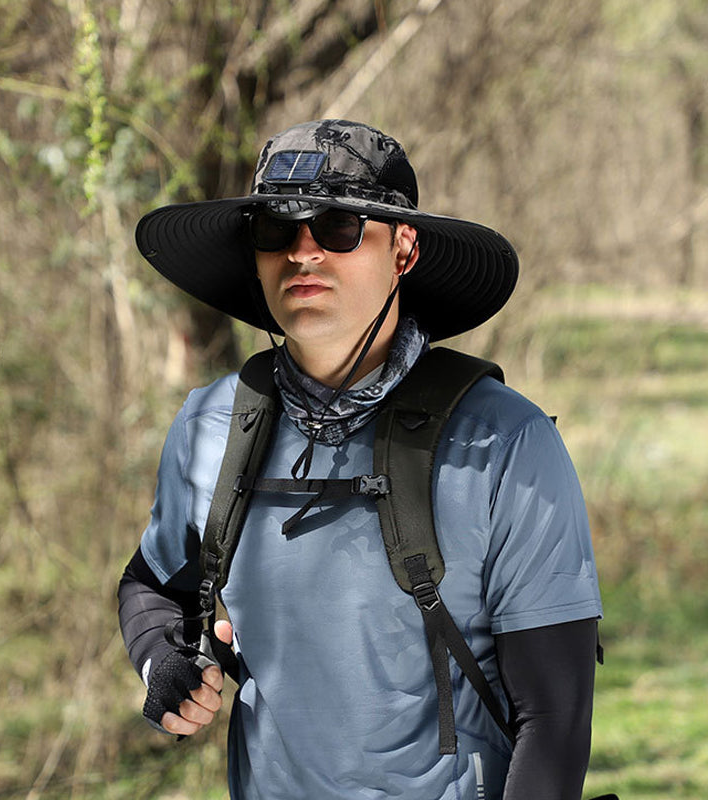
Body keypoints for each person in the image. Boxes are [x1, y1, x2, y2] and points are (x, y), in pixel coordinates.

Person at [118, 119, 603, 800]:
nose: (303, 252)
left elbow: (554, 720)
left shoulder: (506, 442)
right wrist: (163, 661)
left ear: (403, 248)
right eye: (275, 230)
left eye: (339, 226)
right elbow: (151, 583)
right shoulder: (209, 426)